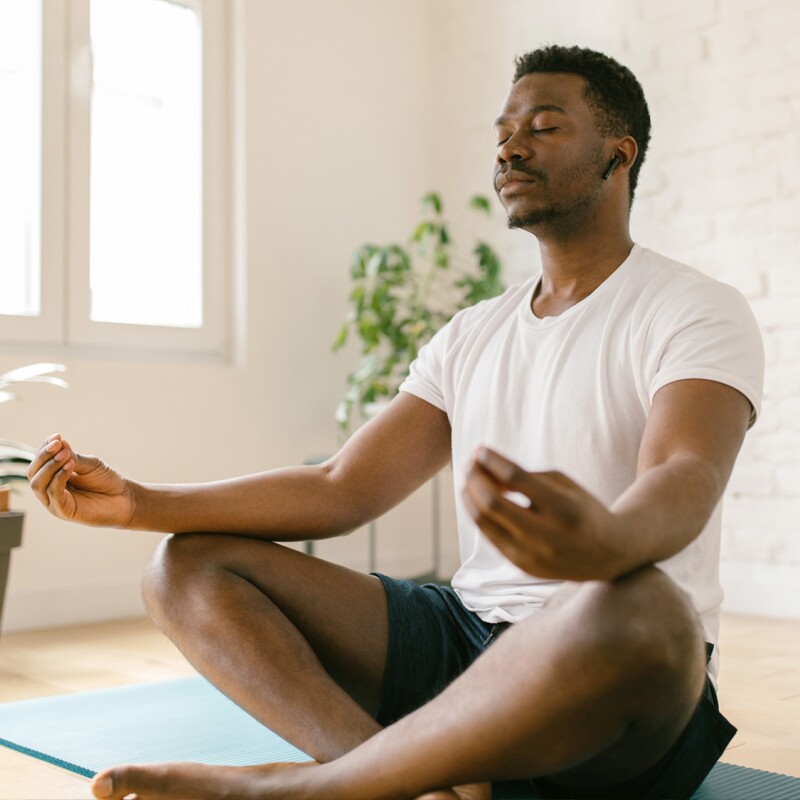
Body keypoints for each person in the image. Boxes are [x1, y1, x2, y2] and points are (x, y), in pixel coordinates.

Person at [28, 45, 764, 800]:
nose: (511, 146)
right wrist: (139, 504)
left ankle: (316, 789)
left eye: (543, 126)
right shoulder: (473, 332)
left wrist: (607, 542)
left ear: (619, 154)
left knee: (649, 611)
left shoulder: (693, 307)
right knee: (183, 568)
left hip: (608, 675)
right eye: (504, 130)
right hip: (465, 637)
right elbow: (342, 488)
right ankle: (392, 780)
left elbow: (687, 472)